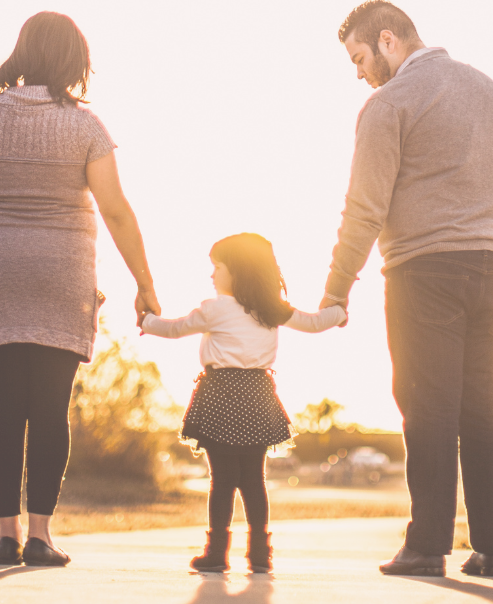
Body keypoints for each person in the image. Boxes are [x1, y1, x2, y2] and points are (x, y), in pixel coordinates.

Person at [0, 12, 160, 568]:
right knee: (49, 408)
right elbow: (114, 210)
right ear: (73, 60)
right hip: (62, 276)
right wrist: (144, 281)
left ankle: (4, 534)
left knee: (3, 406)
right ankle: (40, 535)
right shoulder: (86, 127)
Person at [319, 0, 493, 578]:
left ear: (388, 40)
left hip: (424, 271)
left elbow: (365, 209)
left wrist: (336, 291)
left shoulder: (390, 103)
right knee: (483, 405)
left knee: (427, 408)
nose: (358, 73)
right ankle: (491, 548)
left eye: (359, 58)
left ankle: (427, 546)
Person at [141, 233, 345, 573]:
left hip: (220, 395)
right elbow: (313, 323)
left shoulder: (216, 308)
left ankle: (217, 553)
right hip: (257, 396)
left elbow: (175, 329)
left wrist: (146, 321)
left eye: (216, 267)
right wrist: (338, 312)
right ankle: (260, 553)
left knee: (221, 480)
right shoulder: (270, 308)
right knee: (254, 479)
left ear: (236, 270)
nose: (211, 275)